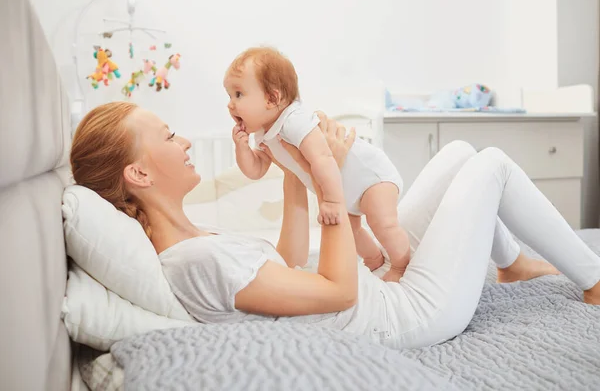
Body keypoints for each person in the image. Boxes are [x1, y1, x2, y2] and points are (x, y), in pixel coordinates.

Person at [70, 101, 600, 350]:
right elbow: (339, 292)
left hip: (382, 287)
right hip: (404, 315)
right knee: (492, 168)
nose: (183, 142)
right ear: (137, 173)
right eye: (168, 136)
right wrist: (335, 186)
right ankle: (594, 280)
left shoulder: (194, 241)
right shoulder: (193, 262)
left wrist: (296, 169)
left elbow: (285, 260)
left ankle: (510, 265)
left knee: (461, 152)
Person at [224, 46, 409, 282]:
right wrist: (242, 148)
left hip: (372, 179)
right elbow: (256, 170)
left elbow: (324, 157)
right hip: (348, 191)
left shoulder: (294, 120)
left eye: (238, 94)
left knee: (383, 224)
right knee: (351, 232)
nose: (230, 104)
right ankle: (374, 260)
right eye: (229, 96)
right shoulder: (262, 135)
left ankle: (402, 265)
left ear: (272, 98)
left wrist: (331, 201)